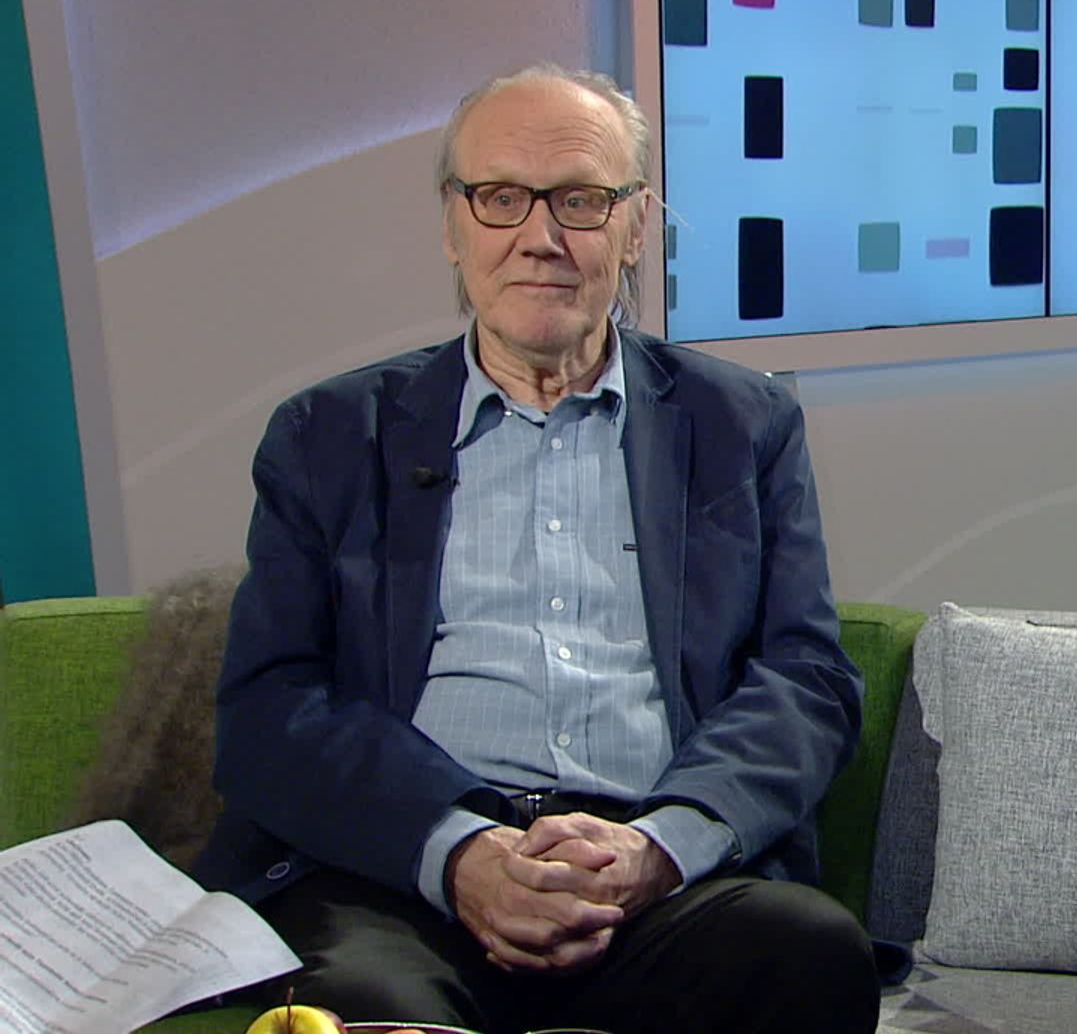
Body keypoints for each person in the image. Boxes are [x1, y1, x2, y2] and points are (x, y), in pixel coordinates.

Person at [194, 63, 878, 1033]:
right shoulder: (330, 435)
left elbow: (807, 676)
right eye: (501, 197)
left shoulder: (742, 423)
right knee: (359, 1011)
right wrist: (460, 852)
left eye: (582, 201)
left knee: (810, 953)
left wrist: (658, 850)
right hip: (403, 872)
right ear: (453, 224)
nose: (540, 237)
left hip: (656, 874)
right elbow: (270, 706)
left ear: (636, 227)